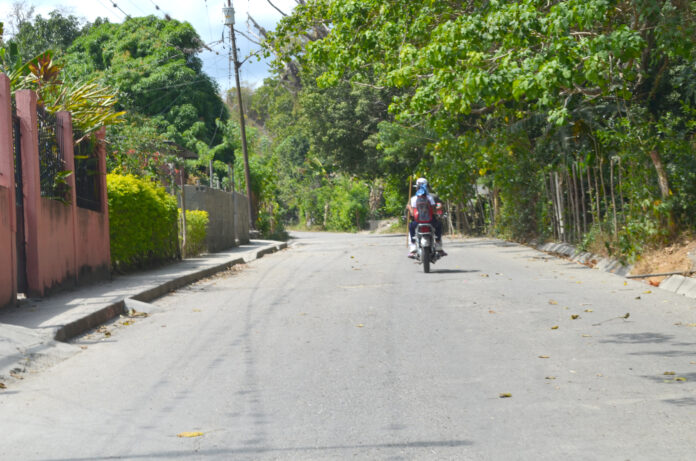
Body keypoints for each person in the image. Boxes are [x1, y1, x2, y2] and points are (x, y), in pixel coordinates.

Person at [406, 177, 446, 258]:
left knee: (411, 226)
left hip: (417, 222)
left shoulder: (414, 198)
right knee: (439, 225)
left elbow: (413, 213)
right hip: (430, 221)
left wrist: (410, 210)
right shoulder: (430, 197)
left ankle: (413, 246)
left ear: (417, 187)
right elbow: (435, 210)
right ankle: (438, 244)